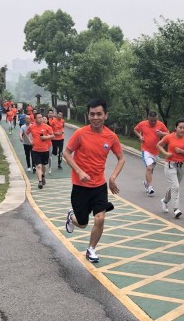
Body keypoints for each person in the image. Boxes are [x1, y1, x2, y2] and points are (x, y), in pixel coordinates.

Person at [63, 98, 125, 263]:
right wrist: (79, 171)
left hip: (99, 186)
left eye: (99, 114)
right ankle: (71, 217)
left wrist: (112, 177)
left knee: (100, 218)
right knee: (82, 223)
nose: (95, 118)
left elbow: (121, 158)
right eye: (92, 114)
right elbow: (66, 153)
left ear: (106, 115)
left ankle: (91, 249)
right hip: (80, 186)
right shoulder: (80, 134)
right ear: (88, 115)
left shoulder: (111, 137)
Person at [157, 119, 184, 219]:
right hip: (170, 164)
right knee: (175, 186)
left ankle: (165, 201)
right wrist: (165, 153)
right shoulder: (169, 137)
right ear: (175, 128)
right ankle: (176, 209)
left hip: (181, 165)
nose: (182, 130)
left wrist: (181, 151)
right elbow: (159, 145)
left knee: (174, 186)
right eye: (180, 127)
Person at [133, 111, 168, 195]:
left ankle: (146, 182)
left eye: (154, 120)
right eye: (151, 120)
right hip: (146, 150)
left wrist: (162, 133)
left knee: (151, 170)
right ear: (148, 118)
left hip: (155, 152)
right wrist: (140, 136)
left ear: (157, 119)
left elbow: (168, 134)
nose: (153, 122)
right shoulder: (142, 124)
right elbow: (135, 129)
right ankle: (150, 187)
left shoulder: (160, 124)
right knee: (149, 168)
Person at [27, 112, 54, 188]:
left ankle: (43, 176)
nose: (41, 119)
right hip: (35, 150)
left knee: (44, 166)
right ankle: (40, 182)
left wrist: (46, 137)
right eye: (39, 118)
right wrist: (30, 141)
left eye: (41, 117)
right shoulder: (32, 127)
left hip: (45, 150)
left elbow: (53, 136)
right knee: (38, 166)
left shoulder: (47, 127)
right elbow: (26, 133)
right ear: (35, 119)